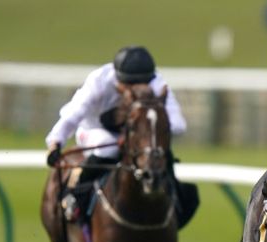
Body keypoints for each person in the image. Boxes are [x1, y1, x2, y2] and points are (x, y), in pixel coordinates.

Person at [45, 45, 187, 222]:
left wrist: (152, 130)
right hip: (93, 130)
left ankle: (178, 200)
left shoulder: (156, 83)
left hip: (134, 137)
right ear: (119, 80)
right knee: (108, 149)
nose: (138, 90)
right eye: (131, 85)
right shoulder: (99, 81)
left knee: (156, 151)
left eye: (142, 84)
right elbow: (72, 114)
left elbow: (178, 125)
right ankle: (75, 194)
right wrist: (55, 142)